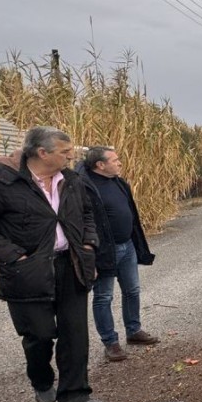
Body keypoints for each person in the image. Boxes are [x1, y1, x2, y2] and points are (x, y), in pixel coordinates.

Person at [0, 126, 107, 402]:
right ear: (43, 153)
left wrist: (89, 244)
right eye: (64, 152)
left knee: (74, 333)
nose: (70, 157)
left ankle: (75, 395)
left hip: (72, 264)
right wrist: (15, 256)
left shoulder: (72, 180)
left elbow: (87, 214)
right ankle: (41, 382)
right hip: (28, 271)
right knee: (39, 335)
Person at [76, 146, 157, 362]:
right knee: (104, 296)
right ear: (100, 165)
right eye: (115, 160)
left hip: (127, 245)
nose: (120, 163)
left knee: (132, 290)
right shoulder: (84, 185)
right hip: (104, 250)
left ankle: (134, 331)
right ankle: (110, 342)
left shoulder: (118, 182)